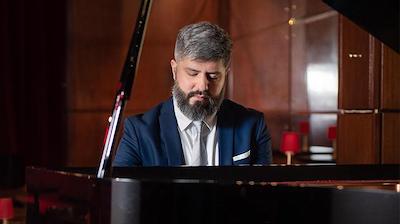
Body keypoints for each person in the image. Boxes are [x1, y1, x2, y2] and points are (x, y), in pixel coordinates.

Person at [113, 22, 272, 166]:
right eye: (192, 73)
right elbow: (122, 195)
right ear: (175, 70)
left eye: (214, 76)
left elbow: (262, 196)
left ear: (226, 73)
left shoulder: (253, 126)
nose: (202, 85)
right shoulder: (139, 132)